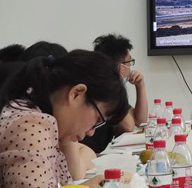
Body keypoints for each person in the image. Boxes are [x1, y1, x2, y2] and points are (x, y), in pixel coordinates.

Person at [0, 49, 129, 188]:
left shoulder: (37, 117)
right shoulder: (32, 126)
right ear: (76, 94)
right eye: (97, 120)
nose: (91, 132)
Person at [81, 33, 148, 153]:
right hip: (87, 152)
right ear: (121, 67)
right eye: (129, 62)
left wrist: (140, 86)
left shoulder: (114, 89)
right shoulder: (100, 88)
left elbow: (140, 121)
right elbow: (129, 125)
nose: (130, 67)